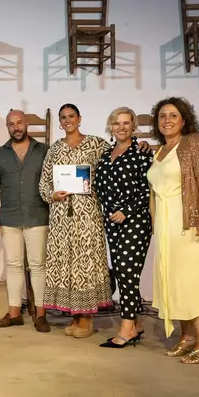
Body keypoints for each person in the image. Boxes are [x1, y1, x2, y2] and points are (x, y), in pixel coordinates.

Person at [39, 103, 151, 339]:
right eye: (63, 117)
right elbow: (44, 183)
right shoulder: (54, 150)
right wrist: (52, 194)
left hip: (87, 214)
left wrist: (143, 145)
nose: (68, 120)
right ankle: (75, 316)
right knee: (67, 265)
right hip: (60, 216)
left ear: (80, 118)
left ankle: (86, 319)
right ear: (60, 122)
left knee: (85, 264)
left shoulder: (97, 145)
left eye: (72, 116)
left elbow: (119, 157)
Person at [146, 97, 199, 364]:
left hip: (190, 222)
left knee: (192, 282)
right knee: (174, 281)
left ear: (184, 119)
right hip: (166, 225)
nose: (167, 120)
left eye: (173, 115)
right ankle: (187, 337)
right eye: (162, 116)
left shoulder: (193, 144)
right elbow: (155, 191)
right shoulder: (160, 151)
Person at [0, 109, 51, 332]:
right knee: (13, 266)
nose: (16, 127)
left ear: (26, 124)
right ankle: (14, 314)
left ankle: (41, 315)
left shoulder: (44, 151)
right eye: (11, 124)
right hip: (10, 218)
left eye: (19, 123)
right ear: (7, 127)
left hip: (38, 216)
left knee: (38, 266)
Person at [94, 107, 153, 348]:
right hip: (111, 222)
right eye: (116, 123)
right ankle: (136, 323)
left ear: (133, 126)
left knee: (128, 273)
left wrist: (126, 211)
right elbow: (99, 186)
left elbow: (148, 188)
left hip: (135, 221)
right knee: (121, 272)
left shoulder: (142, 153)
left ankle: (127, 327)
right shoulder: (106, 154)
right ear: (110, 126)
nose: (121, 127)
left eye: (126, 123)